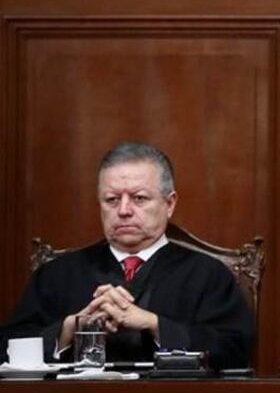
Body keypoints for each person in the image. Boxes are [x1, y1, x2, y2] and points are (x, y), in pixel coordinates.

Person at [0, 142, 253, 369]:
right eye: (111, 199)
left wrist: (154, 325)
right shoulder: (58, 274)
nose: (123, 210)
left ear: (169, 204)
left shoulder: (207, 274)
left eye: (139, 198)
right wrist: (69, 329)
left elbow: (235, 350)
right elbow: (6, 349)